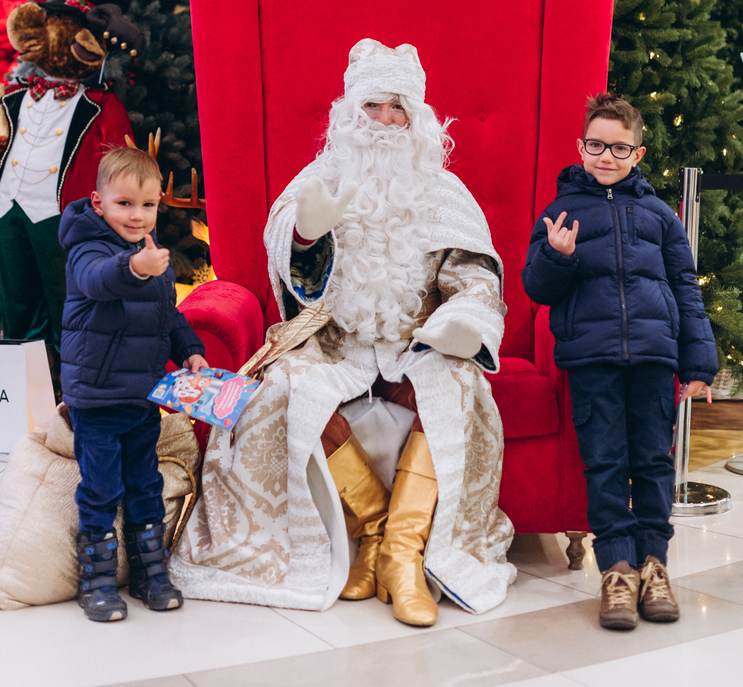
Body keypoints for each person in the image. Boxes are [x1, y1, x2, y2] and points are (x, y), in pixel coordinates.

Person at [170, 39, 516, 624]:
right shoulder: (321, 178)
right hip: (336, 344)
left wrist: (461, 324)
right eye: (373, 106)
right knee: (281, 390)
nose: (384, 121)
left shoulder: (444, 191)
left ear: (419, 119)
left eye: (398, 108)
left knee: (458, 387)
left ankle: (402, 555)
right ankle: (377, 531)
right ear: (351, 113)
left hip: (417, 345)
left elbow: (474, 274)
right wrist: (308, 238)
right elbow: (291, 260)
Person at [522, 92, 717, 631]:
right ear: (580, 147)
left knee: (653, 462)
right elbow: (536, 289)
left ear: (639, 153)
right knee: (605, 462)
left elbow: (685, 288)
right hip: (592, 360)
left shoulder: (659, 216)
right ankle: (618, 572)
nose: (606, 156)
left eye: (619, 148)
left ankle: (655, 567)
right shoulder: (559, 214)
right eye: (596, 145)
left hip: (654, 359)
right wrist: (556, 257)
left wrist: (698, 363)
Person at [58, 146, 208, 623]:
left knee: (145, 484)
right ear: (98, 203)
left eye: (148, 205)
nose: (137, 215)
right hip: (97, 397)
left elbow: (167, 311)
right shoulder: (88, 247)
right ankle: (97, 581)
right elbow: (98, 281)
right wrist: (133, 269)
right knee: (101, 488)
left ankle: (150, 573)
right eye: (124, 204)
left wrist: (188, 347)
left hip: (142, 397)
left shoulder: (152, 249)